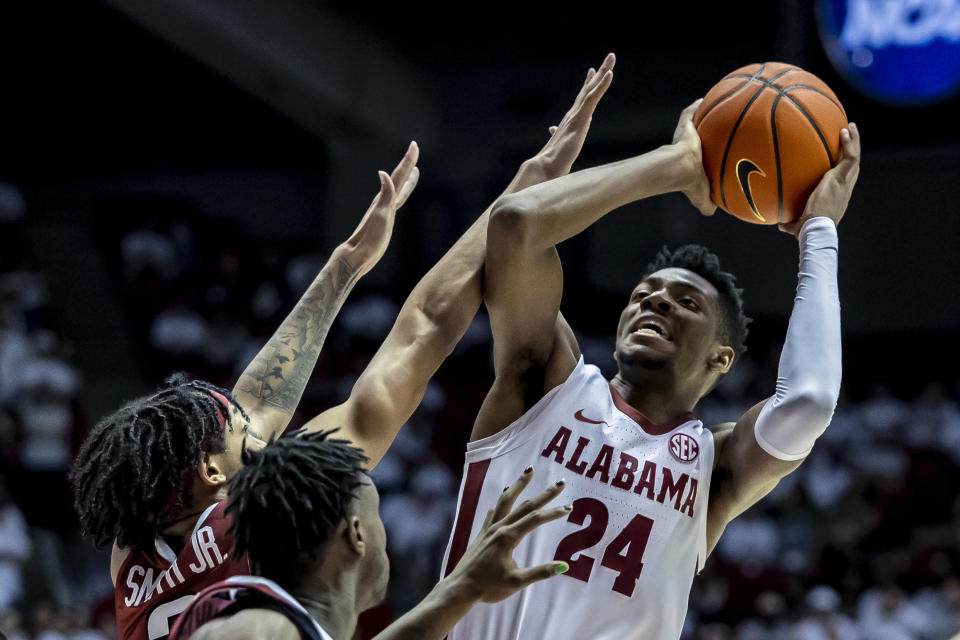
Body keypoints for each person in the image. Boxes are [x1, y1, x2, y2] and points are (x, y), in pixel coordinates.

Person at [70, 56, 613, 640]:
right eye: (248, 433)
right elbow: (423, 329)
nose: (264, 427)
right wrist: (525, 191)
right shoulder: (263, 519)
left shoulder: (132, 553)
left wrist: (347, 264)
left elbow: (258, 400)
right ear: (210, 472)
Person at [440, 52, 860, 640]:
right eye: (646, 293)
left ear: (721, 358)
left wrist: (819, 231)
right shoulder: (547, 386)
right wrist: (676, 166)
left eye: (688, 304)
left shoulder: (713, 470)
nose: (657, 302)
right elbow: (515, 225)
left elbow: (810, 402)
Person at [168, 431, 570, 640]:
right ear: (357, 535)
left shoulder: (275, 620)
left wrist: (463, 589)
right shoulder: (258, 630)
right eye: (378, 517)